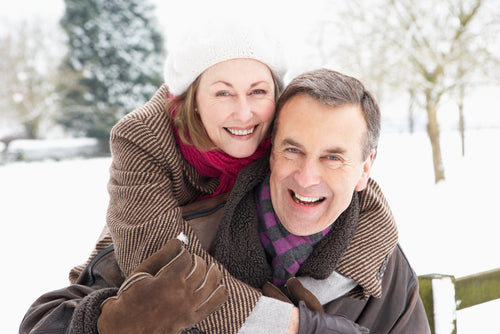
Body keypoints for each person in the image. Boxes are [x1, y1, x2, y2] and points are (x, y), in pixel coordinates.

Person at [20, 68, 430, 333]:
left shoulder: (385, 268)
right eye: (292, 150)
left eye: (333, 157)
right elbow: (41, 325)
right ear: (269, 147)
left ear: (364, 169)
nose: (307, 177)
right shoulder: (182, 229)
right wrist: (106, 325)